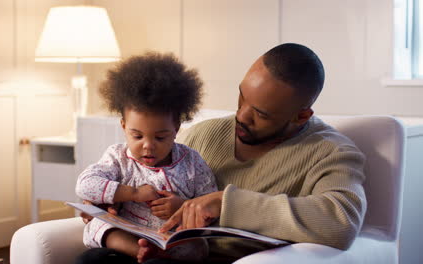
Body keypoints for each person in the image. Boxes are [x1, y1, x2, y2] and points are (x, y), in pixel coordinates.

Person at [137, 43, 367, 263]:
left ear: (301, 117)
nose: (242, 116)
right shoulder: (202, 134)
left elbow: (341, 221)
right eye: (242, 97)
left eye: (262, 114)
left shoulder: (331, 152)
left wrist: (226, 204)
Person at [74, 52, 218, 264]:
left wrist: (182, 206)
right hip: (124, 242)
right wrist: (131, 193)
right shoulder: (117, 157)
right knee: (90, 258)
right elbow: (85, 186)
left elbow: (212, 206)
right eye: (137, 136)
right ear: (123, 126)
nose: (148, 145)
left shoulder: (192, 163)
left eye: (160, 137)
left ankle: (153, 254)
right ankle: (138, 251)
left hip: (171, 248)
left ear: (176, 128)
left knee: (194, 248)